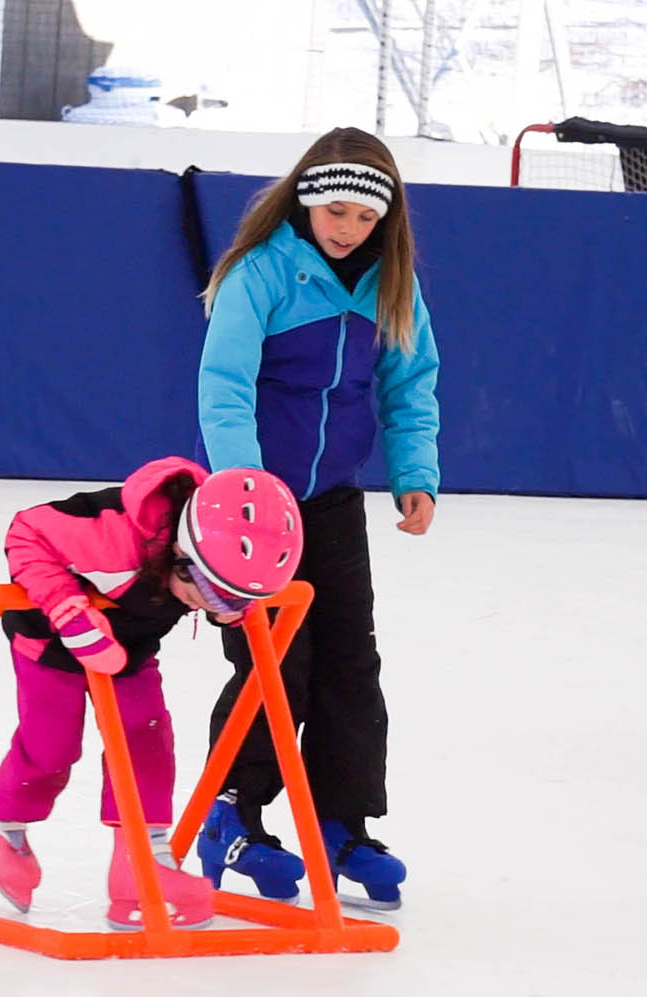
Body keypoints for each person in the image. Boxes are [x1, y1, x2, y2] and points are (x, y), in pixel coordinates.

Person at [193, 126, 439, 910]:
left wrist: (415, 474)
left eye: (366, 219)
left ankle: (341, 821)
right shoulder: (261, 275)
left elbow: (410, 386)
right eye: (337, 211)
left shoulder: (389, 286)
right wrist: (246, 487)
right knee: (274, 664)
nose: (348, 229)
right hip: (249, 514)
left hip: (331, 505)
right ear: (307, 200)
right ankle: (230, 812)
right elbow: (224, 384)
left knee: (347, 662)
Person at [0, 457, 303, 929]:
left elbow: (218, 593)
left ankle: (140, 865)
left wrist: (232, 606)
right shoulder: (113, 534)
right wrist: (68, 613)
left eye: (235, 599)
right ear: (181, 552)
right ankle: (5, 831)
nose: (217, 609)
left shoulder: (197, 568)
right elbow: (27, 531)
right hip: (49, 638)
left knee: (148, 740)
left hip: (129, 644)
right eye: (214, 596)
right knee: (51, 748)